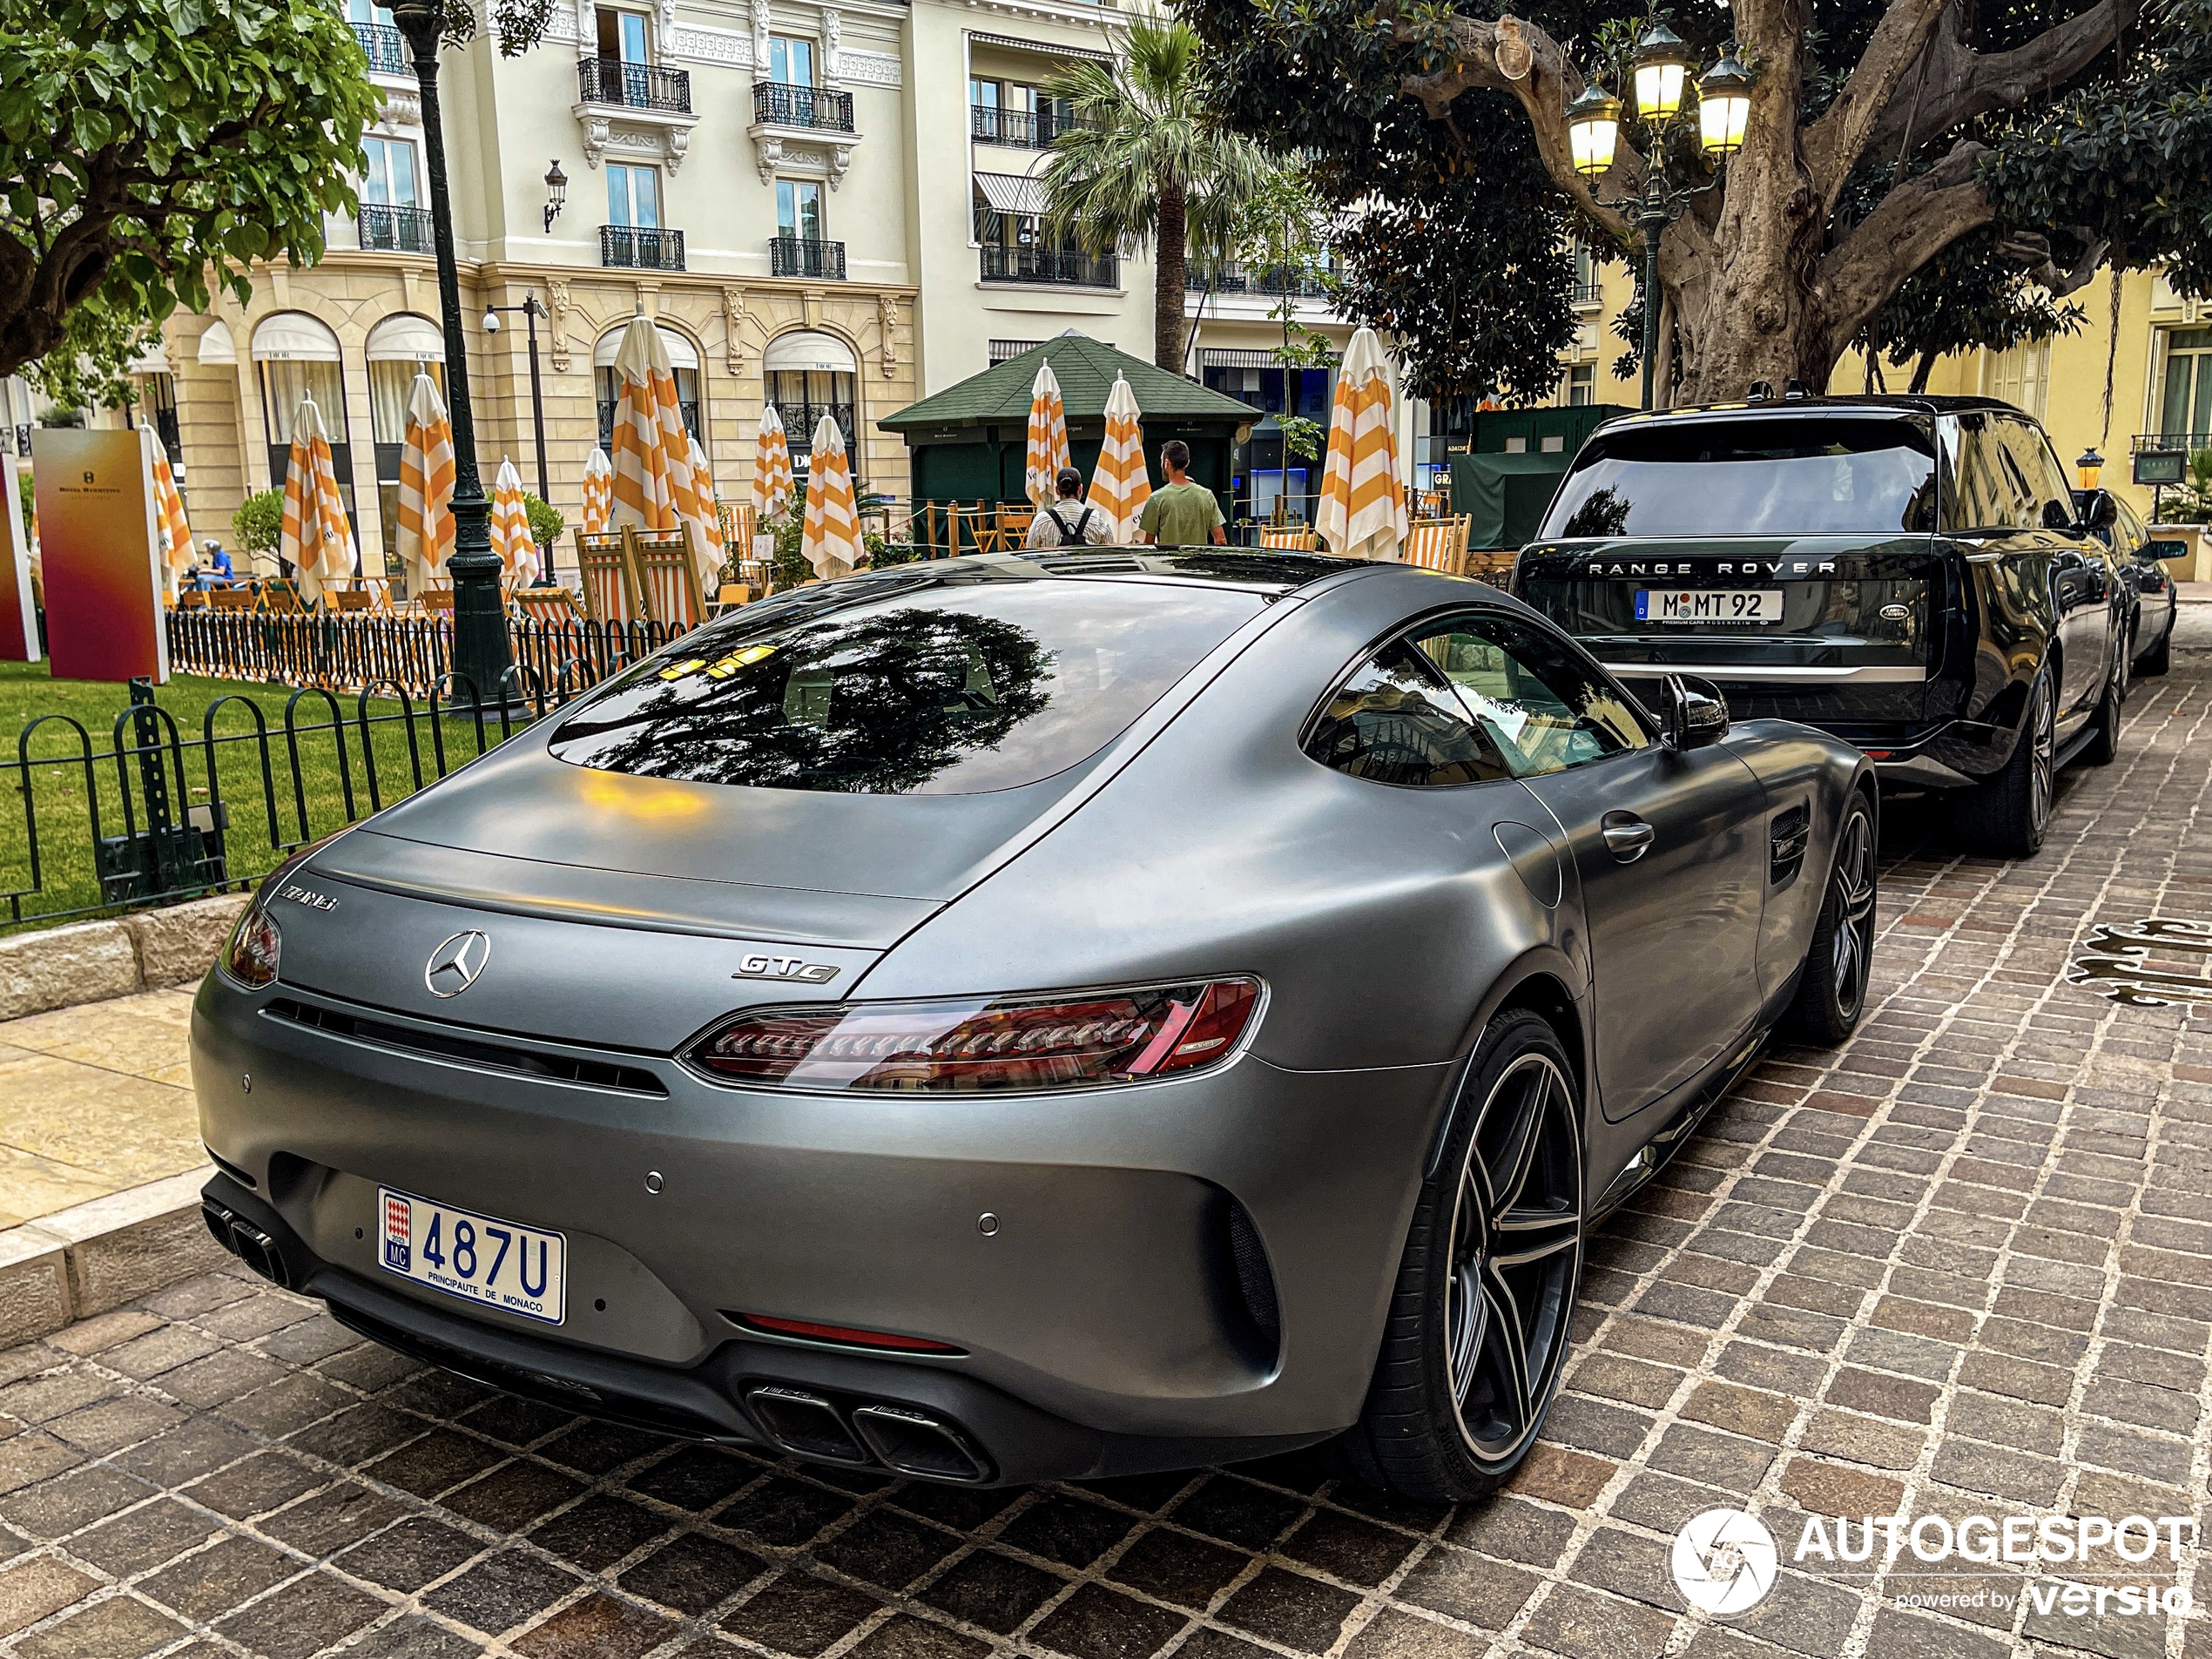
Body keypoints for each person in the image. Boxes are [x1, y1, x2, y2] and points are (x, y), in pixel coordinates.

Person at [1136, 441, 1226, 547]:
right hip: (1198, 562)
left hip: (1168, 563)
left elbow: (1149, 544)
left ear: (1166, 463)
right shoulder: (1207, 496)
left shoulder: (1156, 499)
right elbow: (1221, 540)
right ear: (1187, 463)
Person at [1023, 467, 1112, 548]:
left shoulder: (1041, 520)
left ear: (1057, 490)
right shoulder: (1097, 519)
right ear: (1080, 489)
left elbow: (1030, 554)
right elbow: (1110, 553)